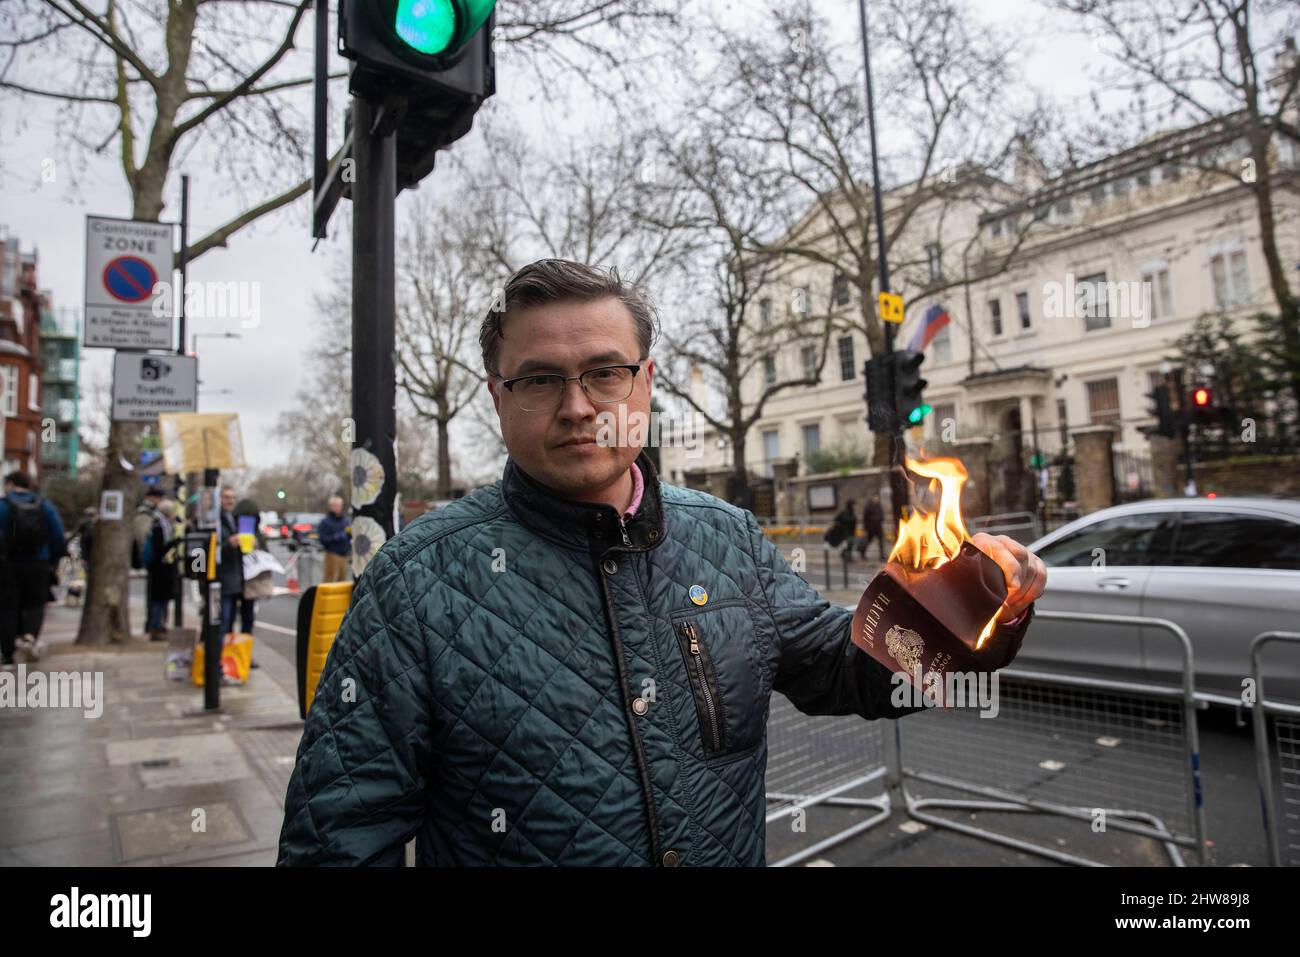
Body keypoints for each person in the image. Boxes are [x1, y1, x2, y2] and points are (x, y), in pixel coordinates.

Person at [278, 259, 1046, 867]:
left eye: (605, 372)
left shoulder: (731, 539)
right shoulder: (416, 581)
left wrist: (971, 619)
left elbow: (849, 670)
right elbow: (340, 837)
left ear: (645, 384)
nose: (577, 405)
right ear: (498, 398)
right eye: (540, 379)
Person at [0, 470, 67, 665]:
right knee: (35, 603)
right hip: (39, 561)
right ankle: (29, 636)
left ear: (10, 484)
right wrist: (51, 559)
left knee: (7, 606)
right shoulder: (44, 506)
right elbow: (57, 536)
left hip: (8, 564)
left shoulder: (3, 506)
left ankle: (7, 651)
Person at [144, 498, 181, 641]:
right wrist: (174, 543)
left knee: (161, 599)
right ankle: (156, 627)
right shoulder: (159, 526)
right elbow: (160, 549)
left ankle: (159, 625)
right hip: (159, 569)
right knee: (158, 599)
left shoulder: (161, 525)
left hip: (161, 568)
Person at [318, 495, 352, 583]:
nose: (338, 507)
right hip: (332, 555)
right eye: (335, 505)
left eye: (339, 505)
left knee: (343, 582)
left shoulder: (345, 521)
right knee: (330, 581)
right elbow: (323, 539)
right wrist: (337, 537)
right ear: (330, 507)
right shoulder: (325, 522)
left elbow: (349, 538)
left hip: (344, 556)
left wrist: (349, 535)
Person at [857, 492, 887, 561]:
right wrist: (866, 528)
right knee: (867, 541)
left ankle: (882, 556)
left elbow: (881, 514)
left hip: (878, 527)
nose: (877, 499)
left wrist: (882, 518)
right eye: (875, 498)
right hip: (870, 528)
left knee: (881, 542)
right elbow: (865, 518)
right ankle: (863, 554)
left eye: (878, 498)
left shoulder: (879, 506)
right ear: (872, 498)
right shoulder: (868, 506)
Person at [826, 498, 858, 562]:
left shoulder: (852, 513)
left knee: (850, 545)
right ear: (850, 505)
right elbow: (836, 520)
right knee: (849, 544)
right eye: (854, 505)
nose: (855, 506)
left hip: (852, 532)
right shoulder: (844, 512)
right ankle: (847, 557)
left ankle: (845, 555)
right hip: (845, 532)